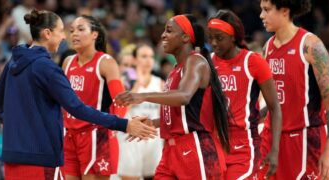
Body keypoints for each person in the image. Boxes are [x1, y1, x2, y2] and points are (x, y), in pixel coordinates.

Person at [0, 9, 157, 180]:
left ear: (95, 35)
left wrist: (16, 124)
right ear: (47, 33)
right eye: (65, 31)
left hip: (91, 136)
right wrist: (125, 124)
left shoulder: (14, 60)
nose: (67, 36)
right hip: (52, 146)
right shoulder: (57, 65)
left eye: (79, 29)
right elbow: (76, 107)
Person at [114, 14, 230, 179]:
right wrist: (152, 123)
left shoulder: (196, 61)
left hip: (195, 147)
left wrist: (142, 96)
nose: (163, 35)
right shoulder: (174, 71)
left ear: (185, 37)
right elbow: (183, 114)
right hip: (170, 150)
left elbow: (184, 97)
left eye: (169, 31)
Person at [258, 0, 329, 179]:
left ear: (284, 11)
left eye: (266, 10)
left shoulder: (311, 45)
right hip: (272, 138)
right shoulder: (267, 49)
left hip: (305, 138)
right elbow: (278, 101)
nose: (261, 16)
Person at [207, 9, 282, 180]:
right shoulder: (207, 63)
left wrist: (274, 150)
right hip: (214, 145)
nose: (213, 43)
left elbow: (275, 107)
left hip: (244, 146)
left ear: (233, 37)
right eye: (210, 38)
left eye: (219, 38)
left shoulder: (253, 61)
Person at [62, 15, 128, 180]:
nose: (74, 34)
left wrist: (114, 125)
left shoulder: (106, 62)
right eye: (72, 31)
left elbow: (121, 101)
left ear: (94, 34)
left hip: (95, 135)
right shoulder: (67, 62)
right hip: (69, 136)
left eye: (81, 29)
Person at [117, 44, 164, 180]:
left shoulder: (160, 83)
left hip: (153, 138)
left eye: (151, 56)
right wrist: (136, 86)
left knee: (154, 176)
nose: (148, 60)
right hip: (130, 139)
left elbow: (164, 114)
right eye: (143, 56)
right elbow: (120, 110)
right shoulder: (125, 81)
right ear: (135, 60)